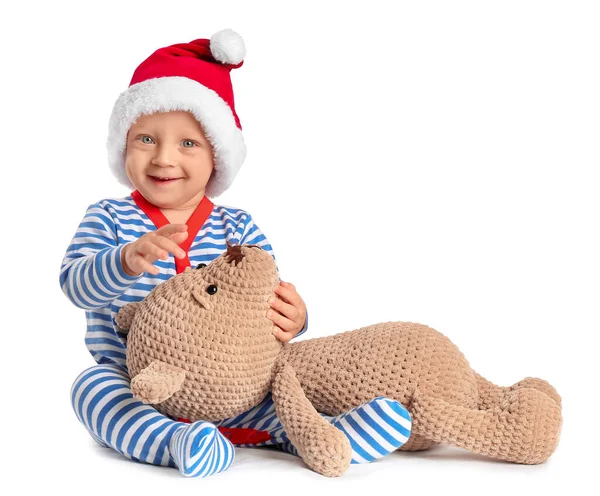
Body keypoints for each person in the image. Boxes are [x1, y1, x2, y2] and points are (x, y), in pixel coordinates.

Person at [61, 29, 412, 478]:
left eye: (188, 143)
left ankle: (329, 436)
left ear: (217, 157)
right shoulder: (108, 217)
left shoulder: (237, 228)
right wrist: (124, 259)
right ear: (122, 146)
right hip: (140, 386)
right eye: (146, 139)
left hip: (233, 386)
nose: (164, 158)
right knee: (92, 390)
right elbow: (74, 285)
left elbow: (264, 302)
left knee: (276, 392)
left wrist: (296, 317)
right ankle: (177, 442)